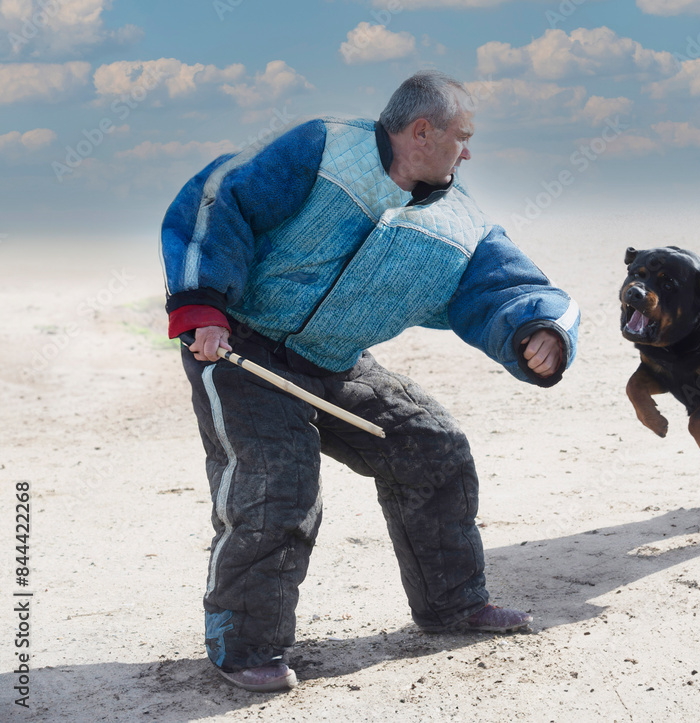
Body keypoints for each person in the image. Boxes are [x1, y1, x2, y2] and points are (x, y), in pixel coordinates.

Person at [159, 70, 580, 693]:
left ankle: (452, 605)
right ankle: (242, 647)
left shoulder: (461, 223)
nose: (468, 153)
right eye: (461, 137)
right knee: (278, 486)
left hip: (335, 362)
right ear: (420, 130)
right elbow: (219, 197)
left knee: (431, 447)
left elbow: (509, 288)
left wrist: (538, 331)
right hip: (239, 351)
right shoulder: (320, 149)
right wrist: (201, 304)